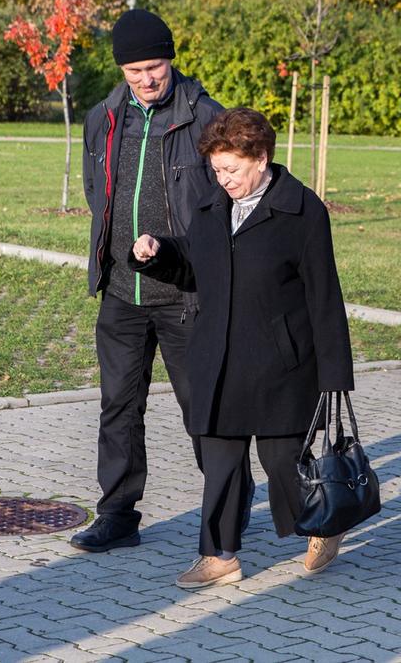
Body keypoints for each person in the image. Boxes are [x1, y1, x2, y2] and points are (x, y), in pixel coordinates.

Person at [130, 108, 355, 589]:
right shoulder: (212, 207)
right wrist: (159, 252)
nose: (223, 178)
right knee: (221, 465)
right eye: (216, 169)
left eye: (231, 168)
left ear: (262, 158)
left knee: (282, 463)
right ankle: (218, 555)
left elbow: (324, 295)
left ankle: (322, 525)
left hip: (280, 364)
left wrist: (335, 375)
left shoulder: (303, 210)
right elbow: (195, 266)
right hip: (218, 358)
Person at [70, 9, 240, 553]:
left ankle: (225, 515)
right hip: (122, 292)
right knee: (118, 406)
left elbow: (227, 205)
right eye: (135, 69)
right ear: (122, 69)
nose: (147, 78)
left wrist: (184, 257)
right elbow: (99, 193)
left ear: (171, 59)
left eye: (155, 66)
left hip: (185, 295)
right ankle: (118, 514)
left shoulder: (207, 118)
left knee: (204, 412)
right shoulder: (104, 116)